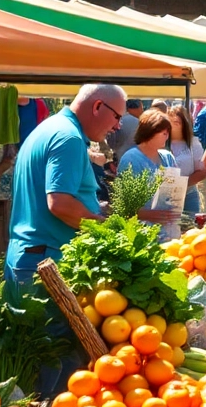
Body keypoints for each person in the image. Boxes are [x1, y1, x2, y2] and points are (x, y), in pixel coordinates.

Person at [7, 84, 124, 284]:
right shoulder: (68, 138)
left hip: (31, 259)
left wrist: (94, 207)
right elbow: (60, 203)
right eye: (117, 117)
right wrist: (106, 230)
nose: (118, 126)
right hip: (45, 264)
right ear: (97, 106)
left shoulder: (51, 127)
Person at [117, 109, 186, 238]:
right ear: (150, 131)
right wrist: (148, 214)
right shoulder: (131, 159)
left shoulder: (168, 157)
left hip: (170, 232)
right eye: (164, 133)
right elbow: (122, 206)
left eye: (167, 133)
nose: (167, 137)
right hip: (142, 235)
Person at [168, 107, 206, 215]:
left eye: (176, 122)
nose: (172, 125)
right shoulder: (161, 141)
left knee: (190, 229)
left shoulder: (194, 144)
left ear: (185, 123)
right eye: (169, 121)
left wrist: (181, 185)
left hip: (188, 195)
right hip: (164, 197)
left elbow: (203, 171)